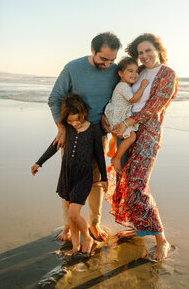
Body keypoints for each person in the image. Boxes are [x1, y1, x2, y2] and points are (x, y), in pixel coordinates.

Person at [106, 33, 178, 261]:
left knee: (138, 183)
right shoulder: (139, 72)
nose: (144, 56)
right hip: (125, 132)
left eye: (148, 50)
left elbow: (156, 105)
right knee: (125, 179)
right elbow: (122, 96)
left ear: (158, 49)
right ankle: (140, 228)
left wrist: (126, 122)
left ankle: (161, 240)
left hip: (148, 133)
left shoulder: (167, 74)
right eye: (140, 53)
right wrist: (109, 121)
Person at [48, 32, 121, 241]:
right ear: (93, 51)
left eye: (112, 60)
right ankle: (69, 225)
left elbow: (120, 97)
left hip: (99, 133)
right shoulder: (73, 68)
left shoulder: (115, 70)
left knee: (96, 182)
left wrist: (109, 116)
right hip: (72, 133)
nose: (108, 64)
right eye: (103, 59)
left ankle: (95, 224)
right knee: (71, 180)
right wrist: (61, 127)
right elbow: (55, 98)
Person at [31, 94, 108, 256]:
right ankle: (75, 246)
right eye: (70, 121)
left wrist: (104, 177)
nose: (74, 124)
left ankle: (87, 238)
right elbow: (54, 146)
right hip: (66, 176)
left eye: (77, 120)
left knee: (74, 213)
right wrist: (39, 162)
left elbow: (100, 156)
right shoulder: (67, 129)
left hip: (83, 177)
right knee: (72, 217)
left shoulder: (93, 130)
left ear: (84, 113)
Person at [104, 56, 149, 173]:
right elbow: (133, 99)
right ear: (120, 73)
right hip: (116, 119)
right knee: (132, 136)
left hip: (119, 116)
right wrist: (143, 86)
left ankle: (117, 157)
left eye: (136, 71)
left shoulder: (125, 85)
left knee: (131, 136)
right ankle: (117, 158)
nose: (134, 74)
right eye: (130, 71)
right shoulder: (123, 86)